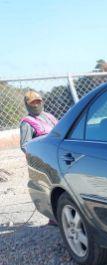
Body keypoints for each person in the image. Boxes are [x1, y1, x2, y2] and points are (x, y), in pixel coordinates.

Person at [20, 91, 59, 225]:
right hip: (42, 159)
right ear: (27, 105)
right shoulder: (27, 123)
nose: (36, 105)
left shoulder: (49, 117)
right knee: (46, 187)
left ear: (42, 102)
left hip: (56, 156)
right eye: (32, 103)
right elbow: (25, 145)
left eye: (38, 102)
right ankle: (53, 218)